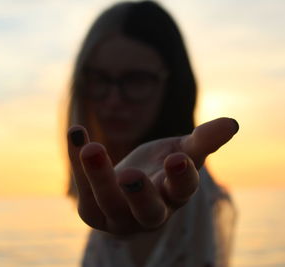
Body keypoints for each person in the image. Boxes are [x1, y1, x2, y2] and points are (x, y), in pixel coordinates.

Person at [65, 1, 238, 266]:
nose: (113, 100)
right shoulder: (115, 185)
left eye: (135, 80)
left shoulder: (181, 181)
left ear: (171, 87)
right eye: (99, 78)